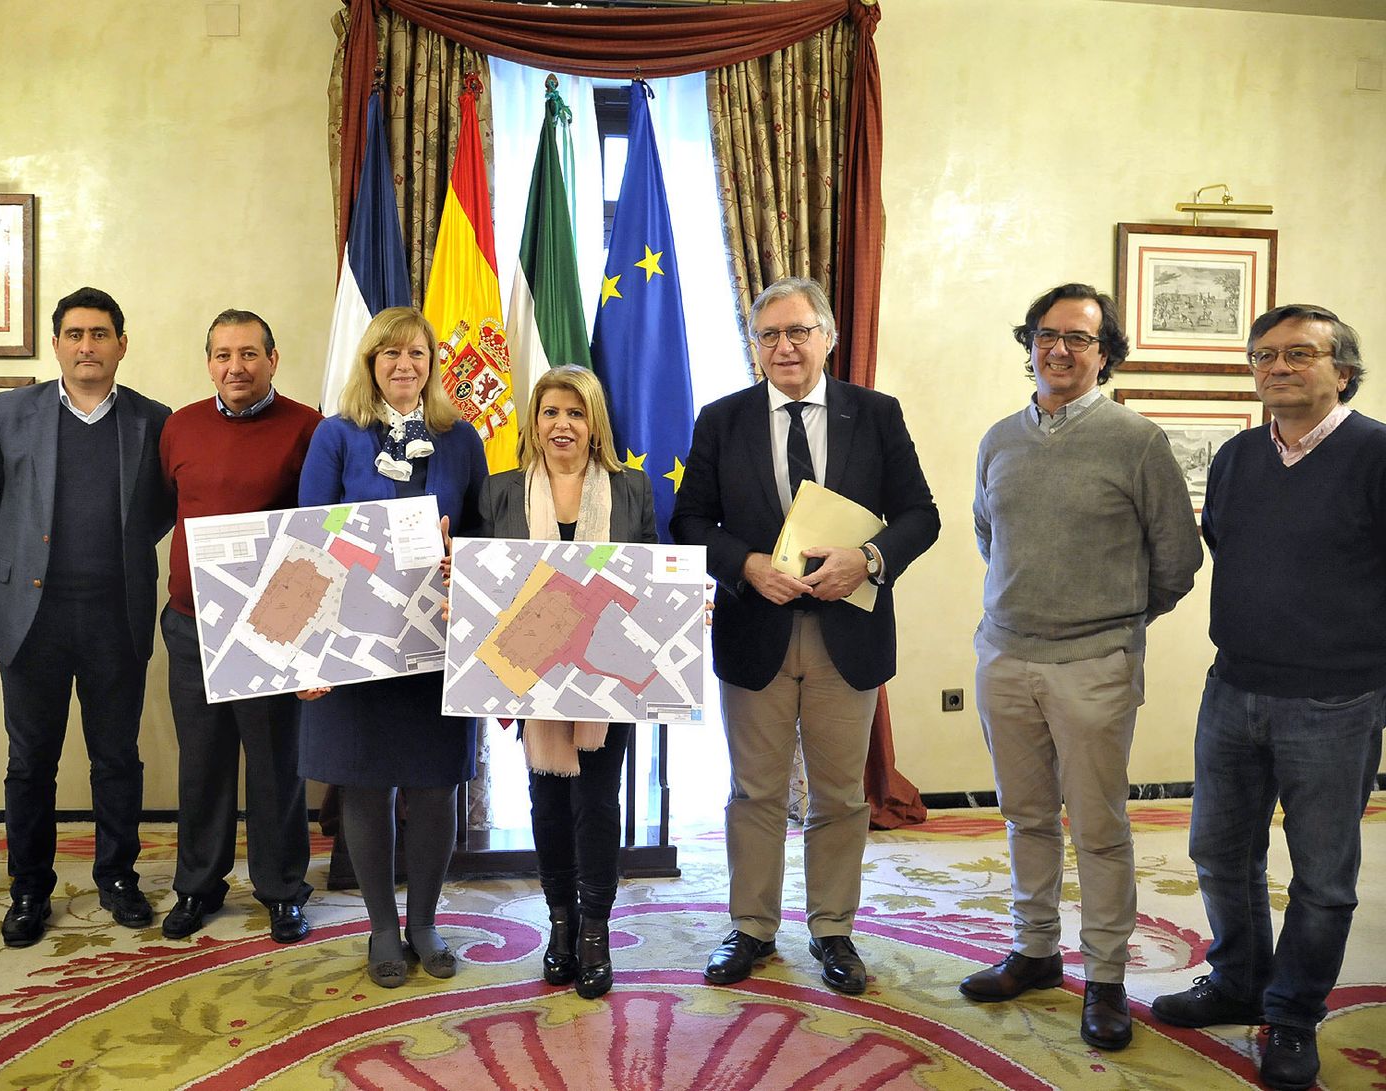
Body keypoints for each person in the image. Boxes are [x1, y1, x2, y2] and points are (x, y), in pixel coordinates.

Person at [670, 276, 939, 995]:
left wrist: (869, 558)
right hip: (754, 628)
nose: (785, 346)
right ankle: (751, 927)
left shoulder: (875, 415)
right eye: (770, 334)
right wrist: (747, 564)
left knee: (841, 794)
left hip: (845, 635)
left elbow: (921, 514)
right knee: (753, 791)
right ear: (755, 344)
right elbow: (689, 522)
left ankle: (833, 929)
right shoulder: (721, 419)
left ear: (828, 336)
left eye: (798, 331)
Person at [1151, 305, 1384, 1091]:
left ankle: (1291, 1014)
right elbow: (1227, 546)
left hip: (1335, 700)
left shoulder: (1377, 454)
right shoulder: (1238, 456)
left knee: (1321, 875)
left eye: (1298, 354)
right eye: (1264, 356)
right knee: (1219, 850)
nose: (1278, 368)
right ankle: (1238, 979)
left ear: (1341, 369)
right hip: (1234, 687)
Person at [964, 283, 1201, 1050]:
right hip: (1004, 655)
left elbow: (1176, 559)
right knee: (1024, 816)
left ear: (1106, 354)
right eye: (1044, 333)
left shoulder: (1136, 441)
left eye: (1077, 338)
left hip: (1095, 663)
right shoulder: (1000, 438)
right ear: (1027, 342)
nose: (1058, 348)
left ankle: (1104, 977)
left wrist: (1113, 621)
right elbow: (987, 535)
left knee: (1098, 827)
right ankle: (1035, 953)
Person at [0, 287, 173, 948]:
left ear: (121, 345)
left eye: (100, 334)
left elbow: (163, 504)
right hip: (33, 621)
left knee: (116, 758)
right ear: (56, 344)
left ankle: (117, 878)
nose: (87, 345)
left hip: (116, 617)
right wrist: (17, 566)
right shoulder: (10, 411)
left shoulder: (152, 419)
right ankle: (29, 888)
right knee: (30, 762)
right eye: (74, 333)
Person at [298, 306, 486, 987]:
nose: (404, 364)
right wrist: (310, 650)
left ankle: (426, 919)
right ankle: (382, 925)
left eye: (417, 353)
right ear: (370, 362)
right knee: (366, 784)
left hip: (437, 641)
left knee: (436, 784)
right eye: (389, 354)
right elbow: (309, 541)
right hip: (357, 643)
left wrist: (459, 556)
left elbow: (485, 535)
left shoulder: (462, 439)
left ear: (433, 362)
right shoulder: (335, 436)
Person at [476, 365, 656, 999]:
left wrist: (685, 607)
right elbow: (485, 583)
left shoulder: (632, 492)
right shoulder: (499, 494)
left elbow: (653, 576)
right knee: (548, 802)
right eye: (550, 412)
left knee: (598, 805)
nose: (562, 425)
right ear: (534, 421)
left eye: (575, 414)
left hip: (610, 679)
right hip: (534, 676)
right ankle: (559, 924)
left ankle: (595, 934)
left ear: (594, 424)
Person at [157, 309, 319, 944]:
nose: (236, 367)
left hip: (272, 627)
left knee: (276, 763)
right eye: (223, 355)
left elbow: (321, 533)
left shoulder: (309, 428)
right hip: (191, 621)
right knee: (203, 761)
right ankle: (198, 886)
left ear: (272, 360)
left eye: (249, 354)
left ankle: (282, 890)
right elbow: (158, 512)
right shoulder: (179, 427)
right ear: (209, 363)